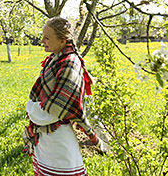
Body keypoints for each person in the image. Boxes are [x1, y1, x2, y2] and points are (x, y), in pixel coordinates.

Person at [22, 17, 107, 175]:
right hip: (46, 139)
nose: (42, 41)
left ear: (62, 40)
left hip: (59, 140)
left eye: (47, 37)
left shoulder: (70, 62)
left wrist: (31, 107)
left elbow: (57, 108)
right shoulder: (55, 58)